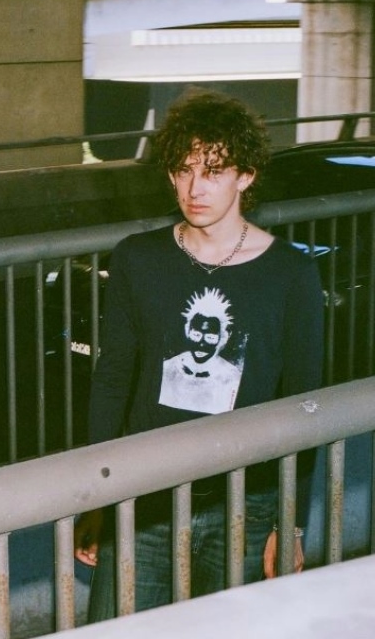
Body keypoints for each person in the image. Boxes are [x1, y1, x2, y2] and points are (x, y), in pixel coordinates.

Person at [74, 89, 324, 620]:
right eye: (184, 170)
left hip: (246, 502)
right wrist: (97, 494)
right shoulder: (137, 259)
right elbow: (113, 377)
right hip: (144, 496)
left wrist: (290, 521)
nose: (195, 187)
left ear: (246, 175)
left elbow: (306, 404)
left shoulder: (290, 273)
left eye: (213, 170)